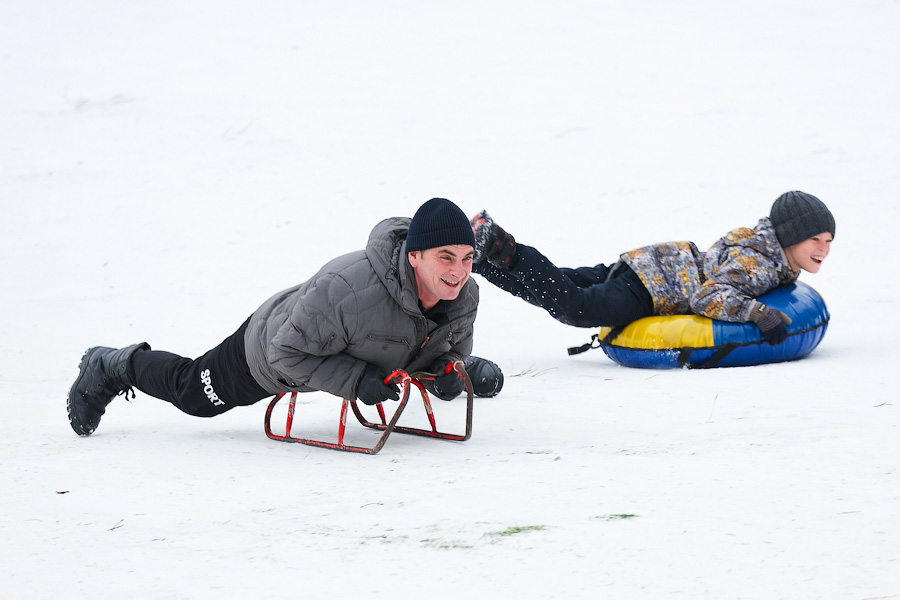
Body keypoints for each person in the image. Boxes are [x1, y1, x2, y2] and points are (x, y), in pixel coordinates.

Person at [67, 198, 504, 437]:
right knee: (193, 395)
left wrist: (451, 373)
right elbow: (285, 354)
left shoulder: (464, 297)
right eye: (445, 257)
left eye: (466, 258)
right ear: (414, 256)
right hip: (272, 347)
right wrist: (357, 381)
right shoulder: (348, 290)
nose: (457, 271)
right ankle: (112, 365)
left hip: (343, 348)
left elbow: (440, 350)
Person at [470, 191, 835, 345]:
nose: (823, 249)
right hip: (656, 287)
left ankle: (483, 261)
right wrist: (757, 312)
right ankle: (501, 245)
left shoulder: (768, 251)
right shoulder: (761, 262)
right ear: (790, 236)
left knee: (555, 286)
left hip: (658, 265)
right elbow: (707, 295)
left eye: (829, 241)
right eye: (815, 240)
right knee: (575, 307)